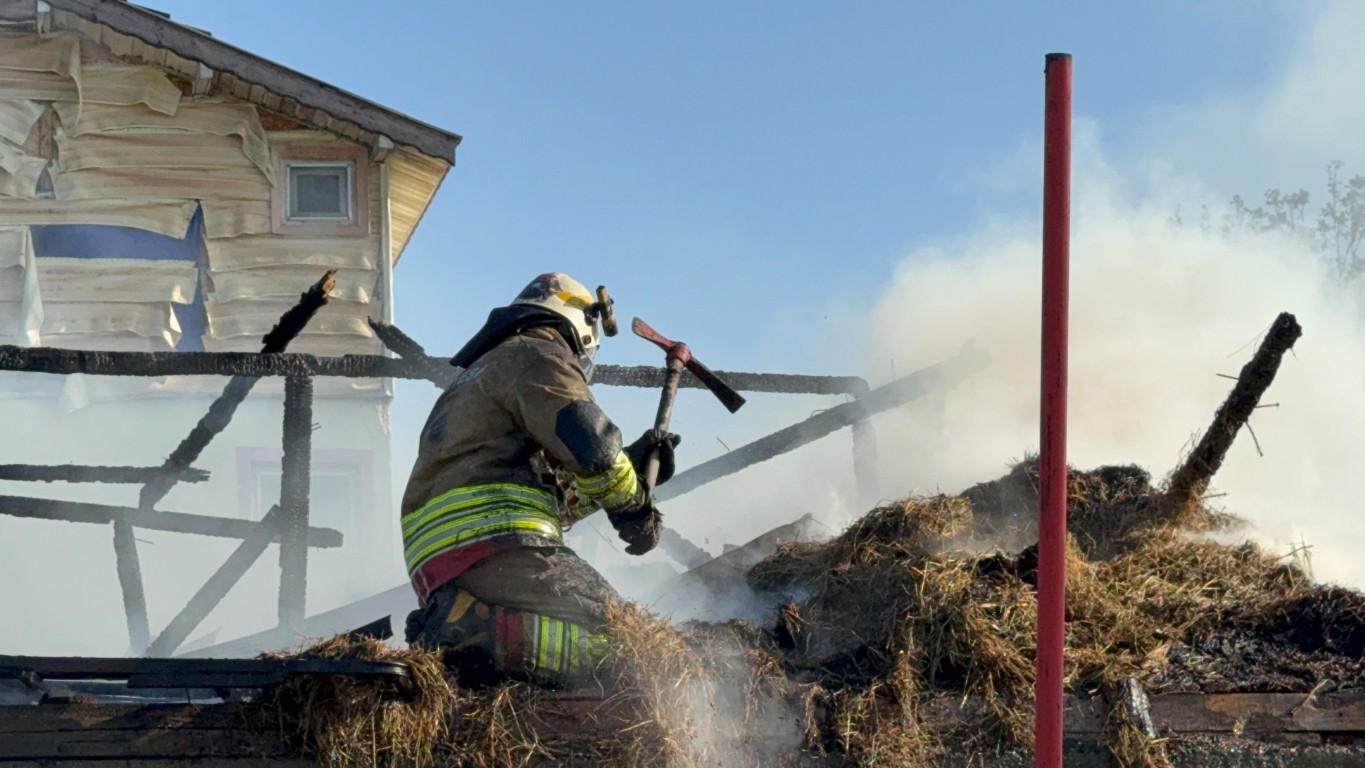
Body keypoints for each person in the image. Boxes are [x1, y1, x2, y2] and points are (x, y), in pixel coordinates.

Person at [400, 272, 680, 689]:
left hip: (446, 555)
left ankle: (477, 633)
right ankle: (470, 630)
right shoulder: (538, 352)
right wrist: (635, 507)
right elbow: (592, 443)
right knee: (632, 643)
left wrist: (631, 466)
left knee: (583, 646)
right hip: (500, 541)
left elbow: (554, 499)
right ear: (584, 327)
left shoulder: (482, 374)